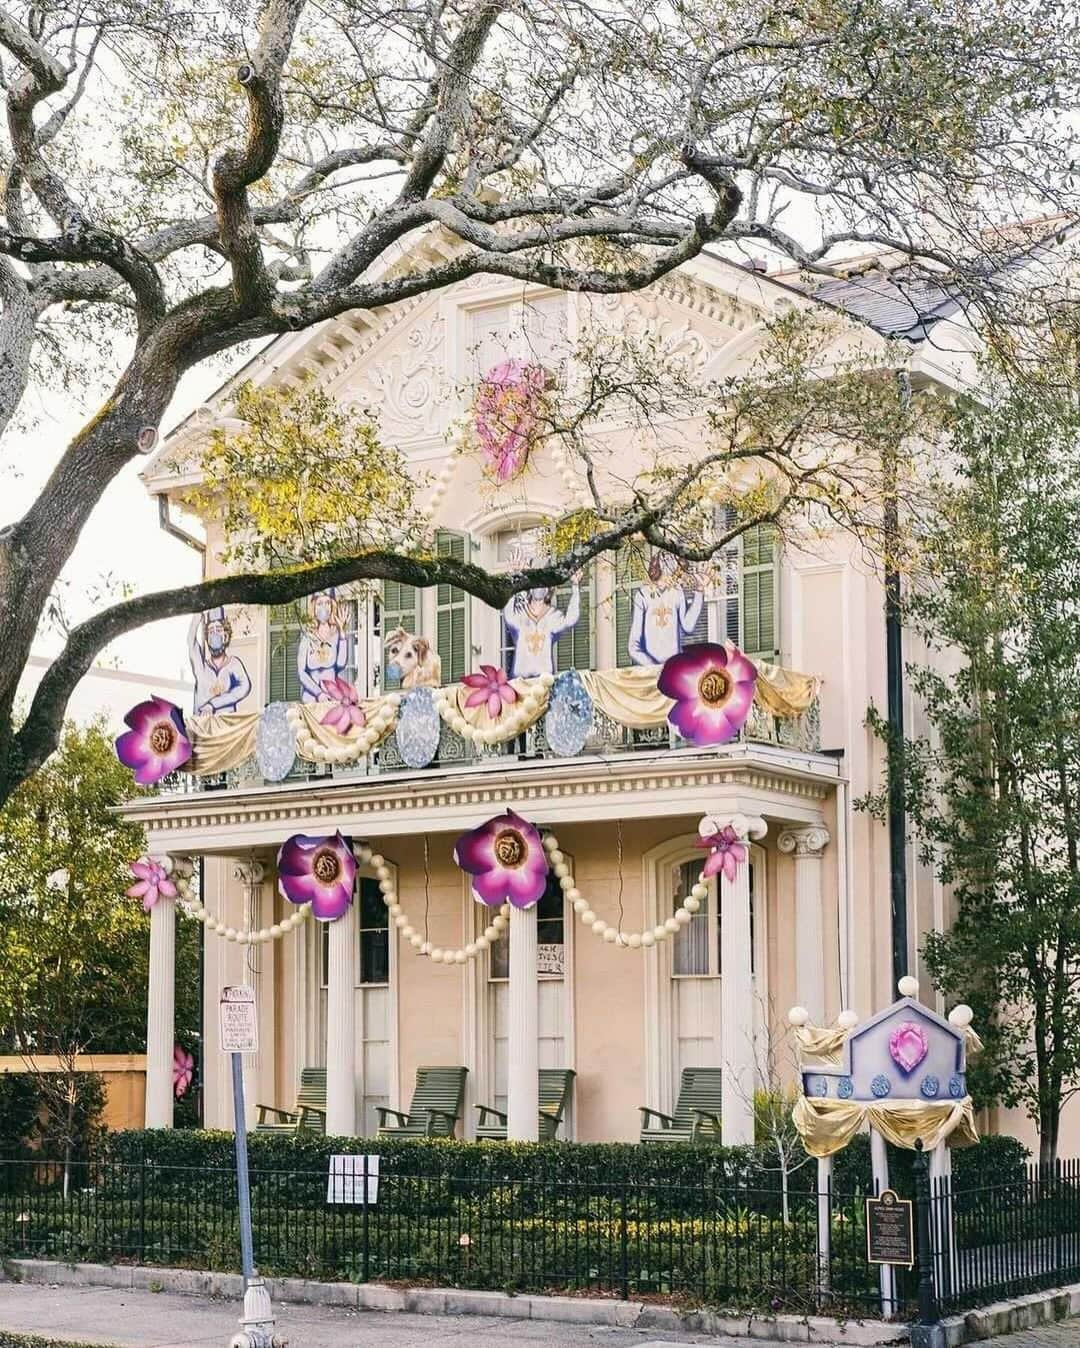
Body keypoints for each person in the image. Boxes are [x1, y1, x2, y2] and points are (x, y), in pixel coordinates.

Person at [628, 549, 705, 665]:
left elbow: (688, 626)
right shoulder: (643, 595)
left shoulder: (677, 592)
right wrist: (654, 667)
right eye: (677, 570)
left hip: (674, 668)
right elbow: (633, 647)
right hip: (651, 671)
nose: (680, 576)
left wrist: (699, 591)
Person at [502, 577, 581, 679]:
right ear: (530, 589)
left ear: (548, 590)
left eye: (543, 585)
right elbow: (508, 615)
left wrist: (575, 586)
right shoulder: (521, 613)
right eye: (535, 585)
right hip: (520, 681)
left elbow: (571, 619)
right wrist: (512, 581)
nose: (539, 589)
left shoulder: (553, 615)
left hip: (544, 681)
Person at [189, 607, 252, 715]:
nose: (214, 635)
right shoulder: (202, 667)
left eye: (218, 630)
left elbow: (244, 688)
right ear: (207, 638)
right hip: (203, 726)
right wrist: (197, 616)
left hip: (226, 725)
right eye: (211, 631)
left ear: (226, 636)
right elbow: (191, 642)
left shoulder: (233, 664)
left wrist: (213, 704)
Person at [296, 589, 351, 701]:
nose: (324, 608)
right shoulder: (307, 638)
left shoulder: (336, 635)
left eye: (327, 603)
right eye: (320, 604)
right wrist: (318, 693)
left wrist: (342, 633)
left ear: (332, 607)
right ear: (314, 608)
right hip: (311, 696)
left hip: (333, 694)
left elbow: (341, 664)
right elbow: (301, 673)